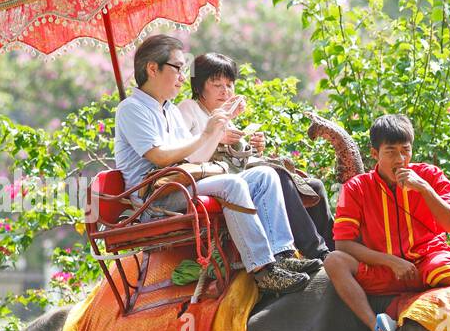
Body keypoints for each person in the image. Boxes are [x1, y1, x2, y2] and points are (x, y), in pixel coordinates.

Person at [112, 34, 315, 298]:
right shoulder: (131, 108)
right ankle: (263, 270)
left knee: (265, 175)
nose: (183, 77)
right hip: (155, 196)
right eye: (178, 68)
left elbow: (195, 159)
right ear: (153, 68)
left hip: (181, 181)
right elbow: (160, 157)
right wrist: (207, 134)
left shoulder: (170, 109)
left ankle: (283, 253)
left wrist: (218, 126)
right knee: (232, 183)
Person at [177, 52, 334, 260]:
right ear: (199, 87)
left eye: (229, 84)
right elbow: (191, 157)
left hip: (236, 174)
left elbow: (235, 157)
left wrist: (254, 146)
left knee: (314, 186)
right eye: (217, 84)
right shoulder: (188, 108)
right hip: (211, 179)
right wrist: (219, 137)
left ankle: (335, 249)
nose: (225, 91)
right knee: (280, 176)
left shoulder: (224, 114)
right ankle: (317, 251)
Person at [323, 114, 450, 331]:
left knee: (447, 272)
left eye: (405, 150)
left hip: (425, 262)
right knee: (333, 261)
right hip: (382, 271)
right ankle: (376, 326)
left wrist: (425, 189)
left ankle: (409, 310)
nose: (400, 159)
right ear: (374, 154)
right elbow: (342, 244)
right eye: (390, 151)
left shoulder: (431, 175)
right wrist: (391, 262)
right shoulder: (356, 188)